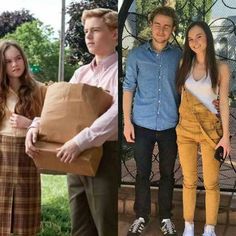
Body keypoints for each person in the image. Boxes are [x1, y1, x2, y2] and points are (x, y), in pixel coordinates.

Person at [25, 8, 118, 236]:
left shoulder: (121, 72)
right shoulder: (81, 73)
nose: (88, 36)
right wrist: (35, 126)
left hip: (104, 154)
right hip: (73, 155)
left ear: (115, 34)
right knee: (80, 226)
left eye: (95, 30)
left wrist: (80, 141)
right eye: (86, 31)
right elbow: (59, 110)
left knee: (106, 226)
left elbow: (118, 114)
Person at [123, 6, 182, 236]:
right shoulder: (137, 55)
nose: (161, 30)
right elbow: (128, 88)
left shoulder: (179, 56)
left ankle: (166, 216)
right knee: (142, 173)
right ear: (151, 25)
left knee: (168, 174)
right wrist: (127, 122)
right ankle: (141, 215)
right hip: (142, 124)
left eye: (167, 26)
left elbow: (189, 87)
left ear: (172, 29)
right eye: (157, 25)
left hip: (170, 126)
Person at [176, 21, 231, 236]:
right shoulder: (184, 64)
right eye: (190, 39)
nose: (195, 42)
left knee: (211, 182)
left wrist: (225, 137)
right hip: (186, 131)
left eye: (199, 36)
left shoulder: (221, 68)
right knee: (188, 181)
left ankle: (210, 229)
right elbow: (183, 99)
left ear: (207, 37)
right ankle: (188, 226)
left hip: (211, 131)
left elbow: (223, 102)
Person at [0, 40, 46, 235]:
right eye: (8, 61)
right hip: (2, 153)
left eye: (18, 58)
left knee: (25, 222)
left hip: (27, 153)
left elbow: (53, 123)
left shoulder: (40, 89)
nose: (14, 65)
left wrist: (29, 123)